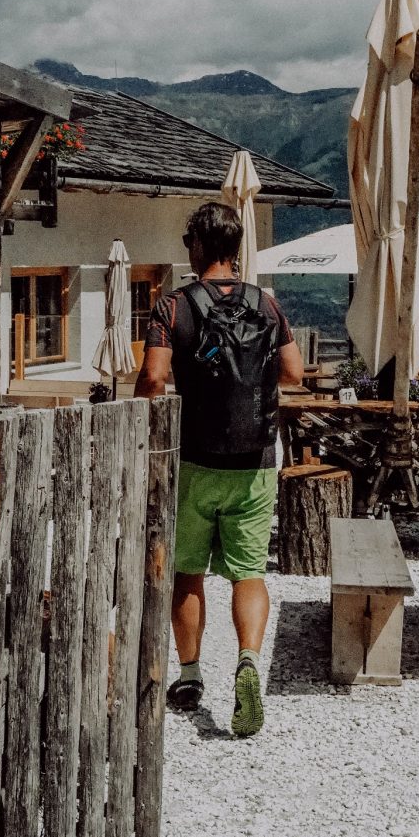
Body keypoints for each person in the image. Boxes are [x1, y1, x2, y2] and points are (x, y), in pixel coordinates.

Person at [136, 202, 305, 738]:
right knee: (248, 573)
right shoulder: (267, 304)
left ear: (199, 247)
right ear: (235, 249)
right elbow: (295, 373)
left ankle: (189, 675)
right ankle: (249, 661)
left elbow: (155, 379)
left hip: (193, 458)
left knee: (188, 572)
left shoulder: (172, 307)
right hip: (255, 461)